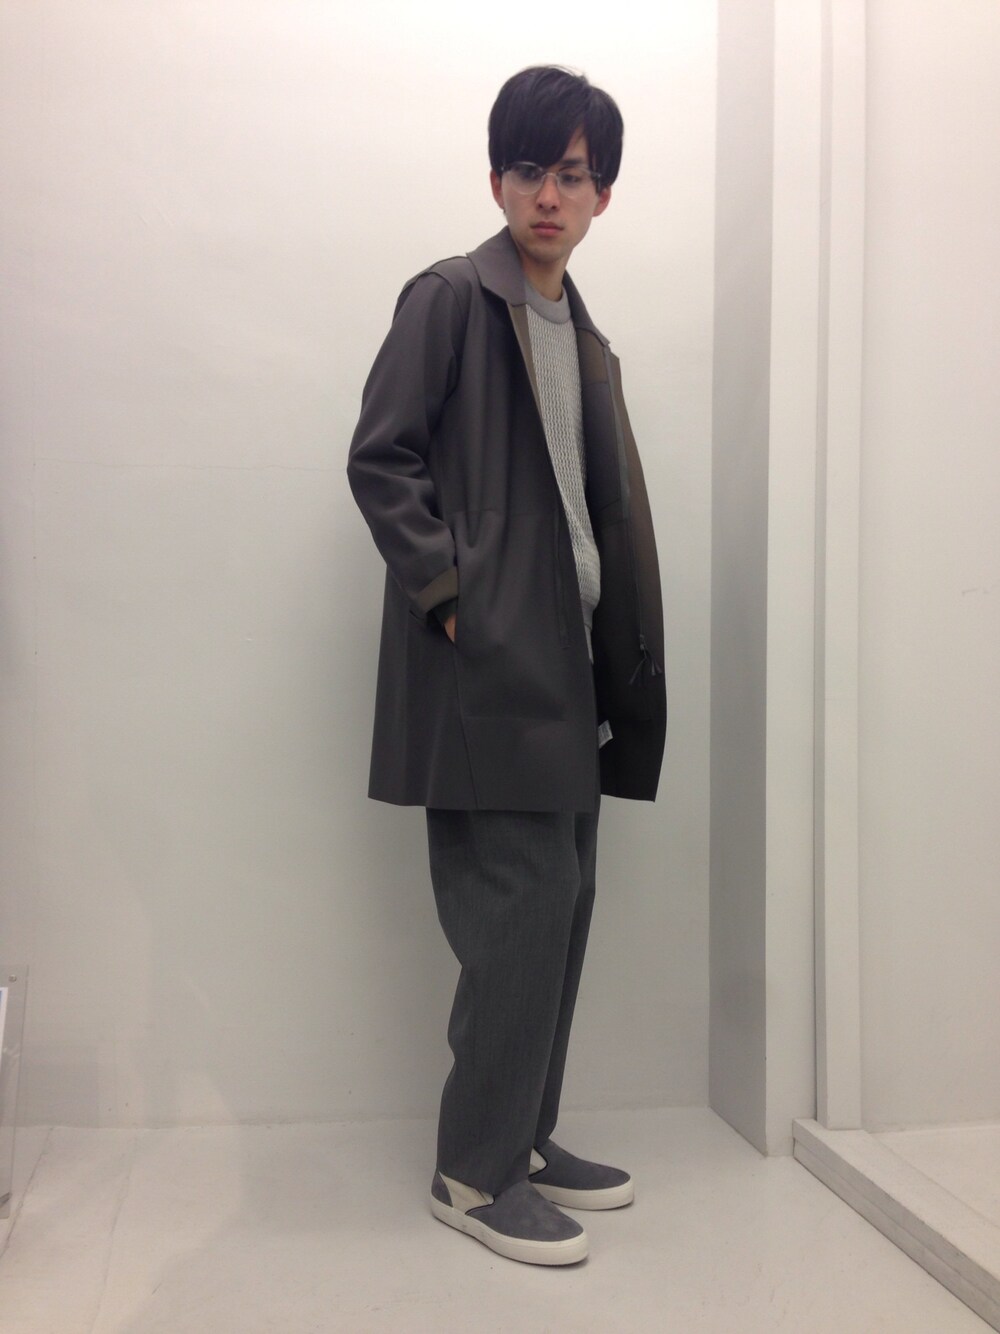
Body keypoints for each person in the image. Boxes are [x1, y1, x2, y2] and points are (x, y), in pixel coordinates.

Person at [347, 65, 666, 1266]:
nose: (548, 194)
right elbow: (382, 458)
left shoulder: (586, 336)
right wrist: (453, 599)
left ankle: (520, 1135)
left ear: (602, 196)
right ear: (496, 179)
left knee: (561, 907)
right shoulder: (449, 299)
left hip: (569, 666)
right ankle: (472, 1174)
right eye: (529, 169)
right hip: (487, 666)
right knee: (519, 911)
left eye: (572, 175)